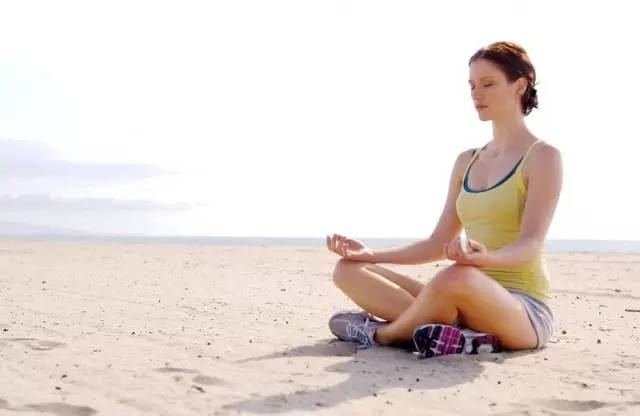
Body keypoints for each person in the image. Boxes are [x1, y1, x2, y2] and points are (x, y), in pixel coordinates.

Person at [325, 41, 562, 359]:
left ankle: (381, 334)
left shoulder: (543, 157)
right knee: (347, 269)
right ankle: (457, 336)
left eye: (488, 84)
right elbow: (438, 242)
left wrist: (482, 260)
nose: (477, 94)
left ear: (520, 85)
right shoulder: (467, 160)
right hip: (462, 301)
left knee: (455, 276)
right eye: (472, 86)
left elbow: (530, 244)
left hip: (521, 311)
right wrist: (371, 254)